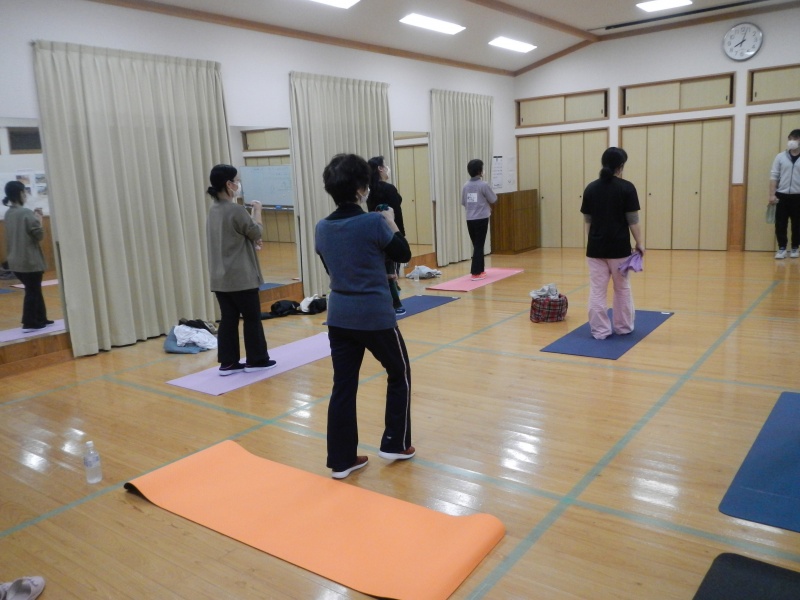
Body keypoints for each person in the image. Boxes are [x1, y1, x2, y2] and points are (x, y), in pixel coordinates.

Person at [315, 153, 414, 479]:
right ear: (361, 188)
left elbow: (337, 268)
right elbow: (403, 254)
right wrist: (392, 223)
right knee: (399, 372)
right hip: (374, 316)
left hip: (339, 316)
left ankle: (341, 460)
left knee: (343, 386)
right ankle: (395, 443)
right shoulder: (373, 222)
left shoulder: (322, 228)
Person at [206, 164, 275, 375]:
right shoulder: (235, 210)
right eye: (236, 181)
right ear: (229, 184)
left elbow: (236, 236)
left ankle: (228, 363)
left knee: (228, 319)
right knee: (252, 318)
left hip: (220, 277)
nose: (238, 184)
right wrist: (257, 210)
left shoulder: (213, 210)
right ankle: (257, 360)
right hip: (241, 277)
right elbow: (256, 232)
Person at [580, 147, 645, 340]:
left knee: (597, 290)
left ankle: (600, 331)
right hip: (619, 249)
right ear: (621, 166)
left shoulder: (591, 188)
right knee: (622, 288)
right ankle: (623, 327)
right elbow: (633, 220)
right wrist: (640, 243)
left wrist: (592, 241)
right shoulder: (627, 188)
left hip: (595, 249)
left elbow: (588, 220)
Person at [2, 181, 52, 332]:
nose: (26, 195)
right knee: (33, 291)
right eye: (24, 192)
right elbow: (39, 235)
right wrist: (39, 219)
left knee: (34, 289)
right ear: (20, 193)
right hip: (29, 260)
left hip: (15, 261)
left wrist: (34, 217)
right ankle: (29, 321)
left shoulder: (9, 213)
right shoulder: (25, 213)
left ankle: (41, 317)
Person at [367, 155, 406, 315]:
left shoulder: (369, 189)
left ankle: (390, 299)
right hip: (390, 231)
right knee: (390, 268)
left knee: (385, 266)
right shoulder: (388, 189)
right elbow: (396, 213)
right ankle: (395, 303)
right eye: (385, 166)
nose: (387, 169)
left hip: (374, 231)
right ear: (380, 169)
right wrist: (400, 234)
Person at [461, 159, 497, 280]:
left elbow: (463, 202)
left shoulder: (466, 186)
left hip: (470, 219)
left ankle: (481, 270)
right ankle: (476, 272)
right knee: (479, 245)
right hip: (481, 218)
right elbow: (493, 199)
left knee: (477, 244)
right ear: (479, 171)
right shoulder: (483, 185)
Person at [769, 128, 800, 259]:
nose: (792, 141)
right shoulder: (780, 157)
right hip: (781, 195)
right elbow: (774, 176)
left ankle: (795, 248)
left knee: (797, 223)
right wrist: (772, 194)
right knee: (780, 223)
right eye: (790, 139)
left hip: (798, 196)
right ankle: (782, 248)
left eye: (795, 139)